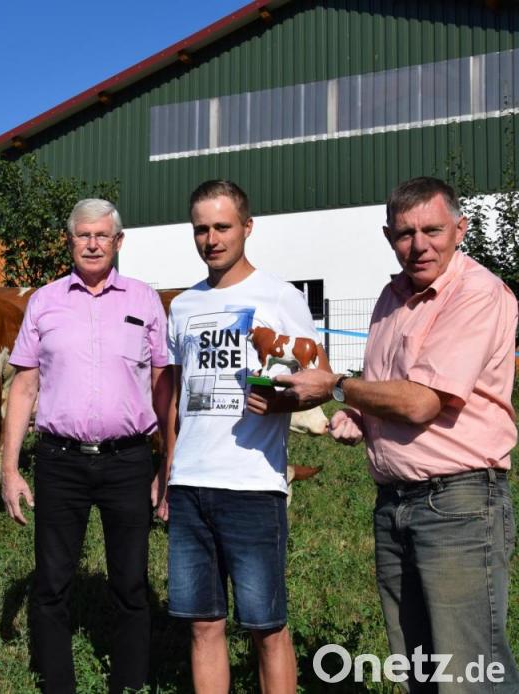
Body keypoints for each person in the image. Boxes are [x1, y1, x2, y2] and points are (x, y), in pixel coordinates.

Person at [277, 176, 519, 691]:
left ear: (460, 229)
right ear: (389, 237)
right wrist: (359, 416)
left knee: (469, 669)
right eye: (405, 233)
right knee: (415, 664)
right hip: (394, 503)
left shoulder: (477, 294)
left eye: (433, 230)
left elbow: (421, 401)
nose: (419, 245)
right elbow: (387, 388)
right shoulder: (390, 298)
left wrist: (336, 386)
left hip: (458, 505)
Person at [158, 180, 326, 694]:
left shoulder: (280, 297)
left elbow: (318, 382)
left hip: (252, 486)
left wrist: (282, 403)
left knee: (266, 628)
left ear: (247, 227)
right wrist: (168, 472)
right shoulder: (183, 306)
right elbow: (176, 396)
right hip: (190, 486)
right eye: (201, 229)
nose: (211, 239)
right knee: (202, 625)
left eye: (222, 227)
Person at [0, 198, 170, 694]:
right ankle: (58, 685)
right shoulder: (44, 301)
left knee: (131, 583)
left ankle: (129, 684)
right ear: (69, 241)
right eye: (83, 235)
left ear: (118, 242)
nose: (92, 244)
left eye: (102, 236)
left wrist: (168, 463)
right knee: (51, 583)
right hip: (60, 462)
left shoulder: (145, 300)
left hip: (129, 460)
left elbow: (163, 386)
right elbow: (23, 388)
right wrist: (10, 470)